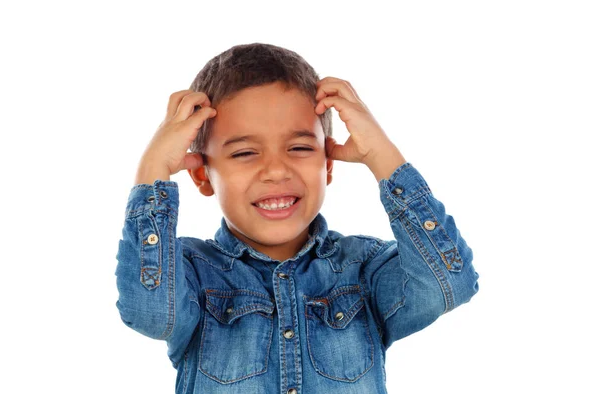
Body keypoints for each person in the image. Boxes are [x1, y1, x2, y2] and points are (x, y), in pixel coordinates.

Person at [115, 42, 480, 394]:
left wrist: (383, 157)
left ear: (328, 165)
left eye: (300, 148)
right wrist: (152, 171)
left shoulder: (363, 268)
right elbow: (147, 311)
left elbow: (448, 284)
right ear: (202, 175)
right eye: (244, 153)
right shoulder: (191, 273)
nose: (276, 170)